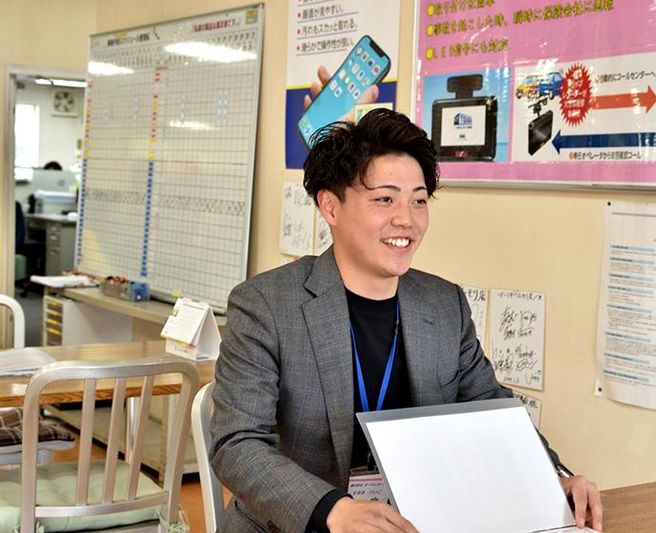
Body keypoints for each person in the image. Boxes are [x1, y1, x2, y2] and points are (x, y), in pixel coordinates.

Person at [210, 109, 602, 533]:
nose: (407, 219)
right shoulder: (266, 305)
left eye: (418, 200)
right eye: (385, 199)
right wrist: (334, 511)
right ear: (330, 206)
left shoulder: (444, 303)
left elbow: (493, 409)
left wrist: (553, 476)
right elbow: (237, 442)